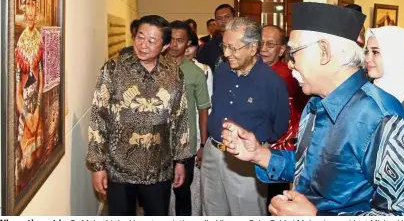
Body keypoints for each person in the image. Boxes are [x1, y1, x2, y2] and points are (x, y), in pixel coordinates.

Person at [221, 2, 404, 216]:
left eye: (294, 53)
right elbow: (309, 168)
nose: (290, 64)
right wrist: (259, 154)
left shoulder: (383, 120)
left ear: (324, 51)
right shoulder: (316, 105)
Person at [86, 15, 191, 216]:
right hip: (119, 167)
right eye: (140, 37)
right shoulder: (114, 69)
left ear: (165, 45)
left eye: (151, 41)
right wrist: (98, 166)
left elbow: (180, 118)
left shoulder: (174, 74)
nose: (143, 45)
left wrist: (180, 161)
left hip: (159, 167)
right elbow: (98, 117)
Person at [201, 17, 289, 216]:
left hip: (246, 161)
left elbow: (279, 127)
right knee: (211, 210)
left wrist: (257, 145)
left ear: (252, 47)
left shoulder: (272, 83)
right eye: (224, 47)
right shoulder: (222, 70)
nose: (226, 54)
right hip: (213, 153)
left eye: (233, 48)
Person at [259, 25, 308, 209]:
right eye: (261, 43)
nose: (263, 48)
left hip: (280, 142)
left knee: (274, 196)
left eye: (270, 44)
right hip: (254, 142)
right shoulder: (249, 69)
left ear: (281, 50)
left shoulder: (290, 75)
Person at [167, 20, 211, 216]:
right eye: (171, 39)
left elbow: (203, 110)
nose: (175, 45)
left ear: (188, 45)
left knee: (183, 195)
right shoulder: (152, 68)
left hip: (186, 147)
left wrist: (202, 145)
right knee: (157, 197)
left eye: (180, 40)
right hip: (157, 147)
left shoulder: (196, 73)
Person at [15, 0, 44, 191]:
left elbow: (41, 79)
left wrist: (38, 109)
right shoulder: (19, 45)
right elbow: (17, 91)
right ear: (23, 7)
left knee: (39, 157)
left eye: (34, 3)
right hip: (25, 112)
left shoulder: (40, 40)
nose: (31, 9)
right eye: (28, 3)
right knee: (27, 162)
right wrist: (26, 115)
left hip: (38, 110)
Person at [197, 4, 235, 73]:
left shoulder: (244, 44)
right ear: (216, 21)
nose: (223, 20)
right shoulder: (207, 47)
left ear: (234, 18)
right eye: (219, 18)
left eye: (227, 17)